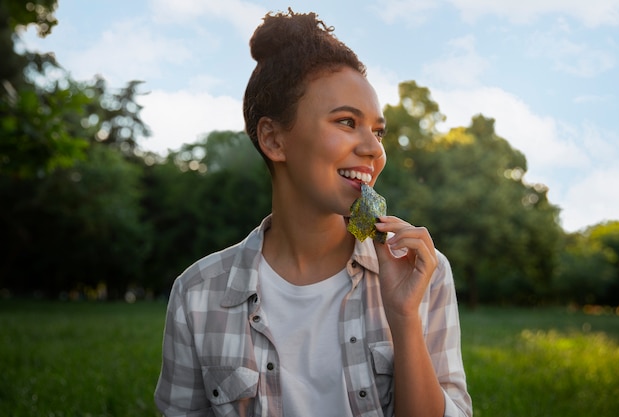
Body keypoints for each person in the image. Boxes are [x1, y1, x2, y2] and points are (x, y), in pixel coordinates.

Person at [154, 8, 472, 417]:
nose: (375, 149)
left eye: (378, 131)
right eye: (346, 122)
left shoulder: (422, 272)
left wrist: (404, 316)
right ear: (274, 139)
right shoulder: (197, 294)